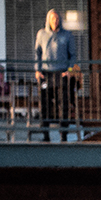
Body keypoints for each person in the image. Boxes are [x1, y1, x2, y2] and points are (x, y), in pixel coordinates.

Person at [34, 9, 78, 141]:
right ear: (48, 20)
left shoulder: (67, 35)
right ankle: (45, 134)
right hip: (46, 74)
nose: (55, 21)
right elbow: (37, 52)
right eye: (52, 19)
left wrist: (70, 70)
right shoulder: (42, 34)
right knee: (45, 103)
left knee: (63, 103)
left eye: (57, 19)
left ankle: (63, 134)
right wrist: (38, 70)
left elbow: (73, 55)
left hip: (62, 73)